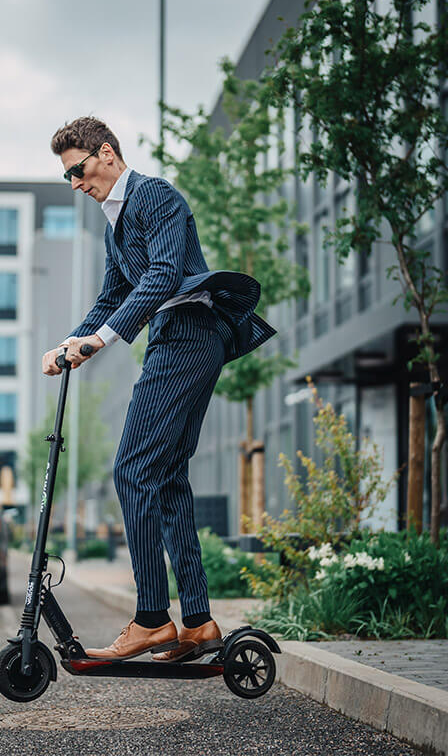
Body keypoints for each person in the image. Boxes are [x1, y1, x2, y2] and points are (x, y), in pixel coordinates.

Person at [44, 117, 275, 662]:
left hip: (190, 335)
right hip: (174, 339)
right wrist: (68, 343)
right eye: (67, 178)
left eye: (77, 171)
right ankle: (197, 622)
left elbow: (165, 276)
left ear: (106, 154)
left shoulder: (156, 197)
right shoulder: (114, 224)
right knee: (166, 478)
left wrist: (100, 342)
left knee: (132, 470)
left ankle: (151, 619)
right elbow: (113, 294)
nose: (75, 184)